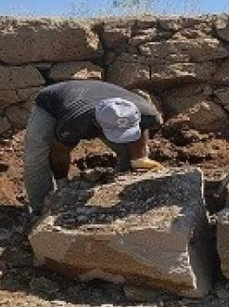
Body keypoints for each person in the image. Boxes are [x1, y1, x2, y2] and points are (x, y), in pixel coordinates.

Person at [24, 80, 162, 215]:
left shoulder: (148, 114)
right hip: (50, 104)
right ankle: (40, 209)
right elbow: (59, 152)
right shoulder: (74, 122)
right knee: (35, 159)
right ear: (98, 124)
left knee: (127, 151)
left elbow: (143, 127)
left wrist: (140, 159)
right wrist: (62, 185)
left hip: (96, 94)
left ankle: (122, 182)